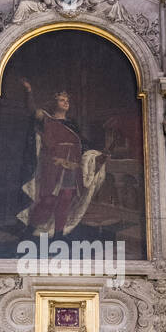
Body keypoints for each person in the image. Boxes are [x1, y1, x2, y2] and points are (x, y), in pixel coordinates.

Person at [17, 84, 107, 236]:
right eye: (61, 100)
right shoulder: (46, 119)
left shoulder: (72, 124)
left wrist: (99, 153)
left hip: (72, 165)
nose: (66, 103)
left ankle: (59, 234)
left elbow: (83, 143)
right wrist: (29, 91)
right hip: (52, 164)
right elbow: (32, 111)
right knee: (48, 200)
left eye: (67, 101)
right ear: (54, 103)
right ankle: (30, 229)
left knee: (65, 199)